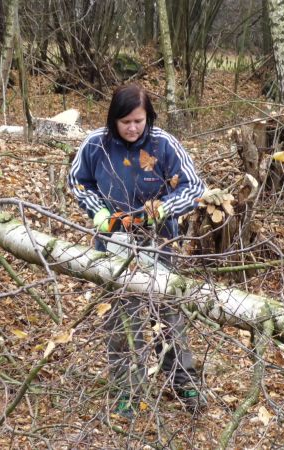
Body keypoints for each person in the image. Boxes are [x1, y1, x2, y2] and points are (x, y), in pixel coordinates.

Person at [68, 84, 226, 416]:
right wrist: (98, 211)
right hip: (113, 241)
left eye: (138, 121)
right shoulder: (96, 144)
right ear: (113, 120)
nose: (132, 128)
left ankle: (183, 380)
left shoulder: (163, 144)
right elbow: (78, 181)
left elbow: (193, 186)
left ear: (147, 118)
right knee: (121, 317)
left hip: (158, 241)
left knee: (166, 312)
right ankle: (127, 388)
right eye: (125, 122)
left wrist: (164, 208)